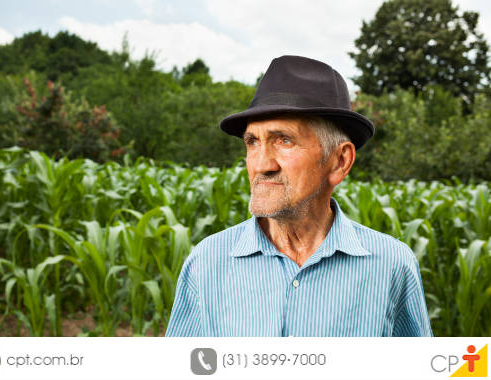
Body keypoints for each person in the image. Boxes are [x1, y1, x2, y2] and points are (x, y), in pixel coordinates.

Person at [165, 55, 432, 337]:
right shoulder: (207, 262)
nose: (262, 164)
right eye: (252, 142)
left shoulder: (391, 265)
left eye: (284, 140)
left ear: (340, 161)